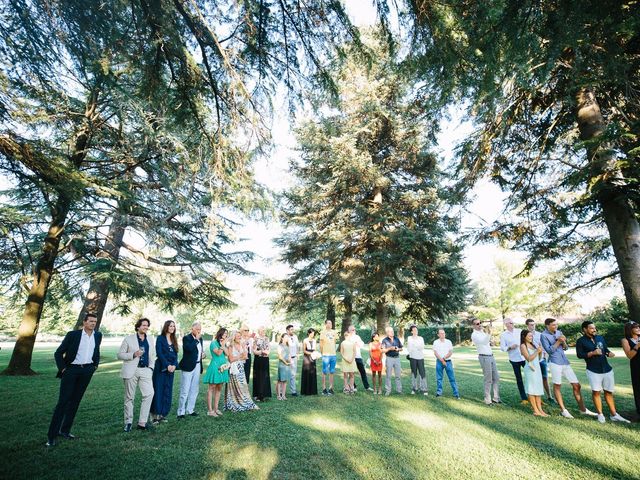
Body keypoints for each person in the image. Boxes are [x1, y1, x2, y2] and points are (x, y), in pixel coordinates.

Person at [46, 313, 102, 447]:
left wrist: (94, 365)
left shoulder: (98, 335)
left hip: (87, 371)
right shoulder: (73, 335)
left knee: (75, 402)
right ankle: (51, 436)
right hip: (71, 371)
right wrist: (63, 369)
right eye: (91, 321)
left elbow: (96, 351)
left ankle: (65, 431)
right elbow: (58, 353)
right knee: (63, 402)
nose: (93, 324)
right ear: (84, 322)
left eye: (95, 322)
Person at [540, 318, 596, 419]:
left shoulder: (559, 332)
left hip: (565, 362)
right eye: (553, 325)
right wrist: (558, 342)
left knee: (577, 385)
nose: (555, 327)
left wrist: (564, 342)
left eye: (556, 325)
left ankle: (583, 410)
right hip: (554, 363)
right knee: (557, 386)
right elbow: (549, 351)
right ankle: (563, 410)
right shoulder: (543, 335)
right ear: (547, 326)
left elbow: (565, 348)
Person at [576, 321, 630, 423]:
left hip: (607, 369)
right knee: (596, 392)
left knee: (609, 392)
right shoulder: (581, 341)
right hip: (593, 370)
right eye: (591, 328)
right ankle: (600, 415)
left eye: (594, 328)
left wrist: (609, 353)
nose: (594, 330)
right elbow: (580, 355)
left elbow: (605, 349)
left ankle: (614, 415)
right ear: (585, 329)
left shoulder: (600, 338)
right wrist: (592, 353)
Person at [118, 318, 156, 431]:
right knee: (129, 397)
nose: (146, 327)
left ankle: (142, 422)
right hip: (131, 370)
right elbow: (120, 355)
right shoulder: (128, 339)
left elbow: (153, 355)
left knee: (149, 394)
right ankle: (128, 422)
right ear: (138, 326)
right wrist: (133, 354)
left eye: (147, 325)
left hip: (145, 370)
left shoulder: (150, 339)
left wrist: (151, 368)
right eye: (143, 325)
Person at [151, 320, 179, 424]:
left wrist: (174, 365)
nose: (172, 327)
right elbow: (160, 353)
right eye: (170, 326)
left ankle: (162, 414)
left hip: (171, 370)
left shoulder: (174, 339)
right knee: (158, 391)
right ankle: (155, 416)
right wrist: (167, 365)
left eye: (173, 326)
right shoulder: (160, 338)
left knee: (167, 391)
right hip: (161, 368)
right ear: (166, 327)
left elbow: (176, 355)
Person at [224, 330, 259, 412]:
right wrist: (239, 357)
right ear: (233, 337)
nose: (239, 337)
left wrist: (239, 356)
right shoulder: (230, 346)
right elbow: (231, 359)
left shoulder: (241, 345)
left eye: (240, 336)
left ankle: (246, 402)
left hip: (241, 368)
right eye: (237, 336)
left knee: (243, 386)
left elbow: (246, 357)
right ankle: (234, 403)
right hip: (233, 369)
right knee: (234, 386)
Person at [176, 322, 205, 419]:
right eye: (197, 329)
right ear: (192, 328)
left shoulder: (200, 338)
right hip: (188, 366)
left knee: (194, 389)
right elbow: (188, 349)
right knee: (185, 390)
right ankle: (181, 412)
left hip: (197, 365)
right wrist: (196, 340)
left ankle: (190, 409)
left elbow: (200, 351)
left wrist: (202, 355)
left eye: (200, 329)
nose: (199, 331)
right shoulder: (186, 338)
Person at [471, 320, 500, 405]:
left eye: (480, 323)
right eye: (477, 324)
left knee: (496, 377)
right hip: (484, 357)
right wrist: (489, 333)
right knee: (488, 379)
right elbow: (484, 342)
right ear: (473, 326)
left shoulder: (482, 332)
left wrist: (487, 333)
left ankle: (496, 398)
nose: (479, 325)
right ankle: (487, 399)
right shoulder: (474, 335)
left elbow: (487, 342)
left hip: (491, 356)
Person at [519, 330, 548, 417]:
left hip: (537, 368)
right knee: (531, 389)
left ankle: (540, 410)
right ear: (524, 336)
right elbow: (528, 358)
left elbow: (538, 359)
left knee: (538, 389)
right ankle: (535, 410)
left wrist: (540, 352)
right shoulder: (523, 346)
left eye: (532, 336)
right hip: (530, 369)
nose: (531, 338)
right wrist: (537, 352)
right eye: (529, 336)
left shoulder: (533, 345)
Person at [525, 318, 553, 402]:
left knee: (545, 377)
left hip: (541, 360)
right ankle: (533, 398)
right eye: (531, 324)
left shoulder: (540, 334)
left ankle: (549, 396)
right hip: (532, 360)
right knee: (532, 378)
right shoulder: (525, 335)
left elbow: (544, 346)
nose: (533, 326)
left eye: (534, 324)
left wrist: (544, 354)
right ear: (527, 326)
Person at [500, 319, 528, 404]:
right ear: (506, 324)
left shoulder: (519, 331)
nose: (513, 324)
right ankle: (524, 398)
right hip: (514, 359)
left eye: (513, 322)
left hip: (524, 357)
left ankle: (534, 396)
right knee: (519, 379)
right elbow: (502, 348)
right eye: (511, 323)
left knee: (530, 376)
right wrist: (510, 347)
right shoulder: (503, 335)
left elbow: (526, 340)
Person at [203, 328, 230, 416]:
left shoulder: (223, 343)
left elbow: (227, 354)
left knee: (219, 388)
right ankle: (210, 410)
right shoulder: (213, 343)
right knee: (212, 387)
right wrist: (223, 344)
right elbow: (218, 353)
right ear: (220, 333)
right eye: (224, 333)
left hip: (223, 366)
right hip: (215, 366)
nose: (225, 335)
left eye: (227, 333)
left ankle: (216, 409)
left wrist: (224, 344)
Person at [432, 329, 460, 399]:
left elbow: (450, 352)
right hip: (439, 362)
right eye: (441, 333)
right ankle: (439, 392)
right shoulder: (435, 342)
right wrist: (442, 360)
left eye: (443, 333)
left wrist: (444, 359)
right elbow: (435, 353)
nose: (443, 335)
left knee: (452, 378)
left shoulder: (448, 342)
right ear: (438, 335)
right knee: (439, 378)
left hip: (448, 362)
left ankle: (456, 393)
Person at [621, 321, 640, 415]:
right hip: (637, 367)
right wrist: (637, 346)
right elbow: (629, 355)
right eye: (636, 328)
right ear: (630, 330)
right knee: (638, 387)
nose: (638, 329)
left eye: (638, 327)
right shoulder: (625, 340)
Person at [348, 325, 372, 392]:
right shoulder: (348, 337)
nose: (354, 331)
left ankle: (367, 387)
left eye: (355, 329)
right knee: (351, 373)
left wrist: (358, 343)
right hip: (351, 357)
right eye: (352, 330)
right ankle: (353, 386)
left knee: (363, 372)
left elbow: (362, 344)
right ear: (349, 331)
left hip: (358, 357)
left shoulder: (357, 337)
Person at [381, 326, 403, 396]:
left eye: (393, 331)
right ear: (387, 333)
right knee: (388, 375)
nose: (392, 332)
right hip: (389, 358)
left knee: (398, 375)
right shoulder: (384, 340)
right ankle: (388, 390)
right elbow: (383, 350)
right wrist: (390, 348)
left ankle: (399, 390)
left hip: (397, 358)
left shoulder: (397, 339)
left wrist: (398, 349)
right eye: (390, 331)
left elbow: (401, 348)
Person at [252, 327, 272, 401]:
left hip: (265, 359)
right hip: (258, 360)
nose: (263, 331)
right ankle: (258, 395)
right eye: (261, 330)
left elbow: (269, 349)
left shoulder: (267, 339)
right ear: (259, 331)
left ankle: (265, 394)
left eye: (264, 330)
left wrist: (266, 352)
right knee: (258, 377)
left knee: (265, 376)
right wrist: (262, 352)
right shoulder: (256, 339)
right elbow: (254, 351)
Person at [407, 325, 428, 395]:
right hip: (412, 357)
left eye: (416, 330)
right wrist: (415, 346)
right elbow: (409, 348)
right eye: (414, 330)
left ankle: (424, 389)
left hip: (420, 357)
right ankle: (414, 388)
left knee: (422, 373)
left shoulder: (421, 338)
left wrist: (415, 345)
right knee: (414, 373)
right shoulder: (409, 338)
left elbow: (421, 347)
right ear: (411, 331)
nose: (416, 331)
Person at [319, 319, 337, 395]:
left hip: (333, 355)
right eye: (328, 323)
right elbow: (321, 344)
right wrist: (322, 353)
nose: (330, 324)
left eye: (331, 323)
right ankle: (324, 388)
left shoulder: (334, 332)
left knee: (332, 372)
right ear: (325, 324)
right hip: (325, 355)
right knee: (324, 372)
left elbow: (334, 342)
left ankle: (330, 388)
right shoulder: (322, 332)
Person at [301, 328, 318, 395]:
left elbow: (315, 349)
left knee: (312, 372)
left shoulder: (314, 340)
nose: (313, 334)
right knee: (307, 372)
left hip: (313, 357)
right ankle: (306, 391)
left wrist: (316, 355)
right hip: (307, 357)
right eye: (312, 333)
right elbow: (304, 350)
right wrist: (311, 353)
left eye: (314, 333)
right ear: (309, 333)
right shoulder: (305, 340)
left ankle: (312, 391)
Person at [285, 324, 300, 397]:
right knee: (284, 375)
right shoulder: (285, 337)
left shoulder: (295, 337)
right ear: (287, 330)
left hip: (294, 358)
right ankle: (281, 391)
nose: (293, 331)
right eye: (291, 329)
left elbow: (298, 346)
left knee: (293, 375)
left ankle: (293, 391)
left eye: (293, 329)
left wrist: (298, 354)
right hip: (287, 359)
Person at [276, 333, 291, 400]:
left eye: (287, 337)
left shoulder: (288, 346)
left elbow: (288, 355)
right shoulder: (280, 346)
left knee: (285, 380)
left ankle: (283, 395)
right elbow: (280, 356)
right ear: (282, 338)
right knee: (280, 381)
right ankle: (279, 395)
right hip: (282, 365)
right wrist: (285, 362)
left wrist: (289, 360)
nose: (287, 338)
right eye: (285, 337)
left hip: (287, 365)